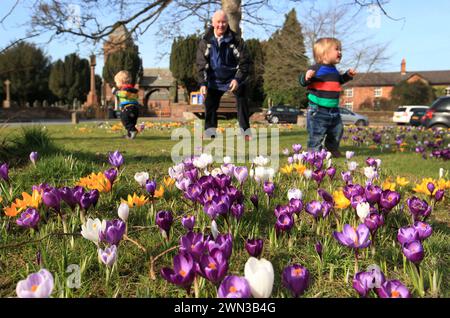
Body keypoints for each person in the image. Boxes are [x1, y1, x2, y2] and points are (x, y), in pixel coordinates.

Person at [196, 10, 251, 139]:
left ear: (227, 23)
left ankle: (246, 132)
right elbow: (201, 64)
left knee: (242, 99)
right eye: (218, 22)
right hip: (214, 79)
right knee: (210, 103)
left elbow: (245, 62)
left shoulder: (236, 41)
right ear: (213, 23)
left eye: (224, 22)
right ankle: (210, 132)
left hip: (233, 77)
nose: (221, 25)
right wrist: (202, 83)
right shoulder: (205, 42)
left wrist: (237, 79)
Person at [299, 37, 356, 157]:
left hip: (334, 110)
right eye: (337, 49)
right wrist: (306, 77)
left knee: (337, 131)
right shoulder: (316, 69)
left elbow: (339, 80)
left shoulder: (334, 70)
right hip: (318, 110)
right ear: (324, 54)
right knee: (316, 134)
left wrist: (347, 75)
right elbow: (303, 82)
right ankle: (314, 154)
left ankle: (332, 148)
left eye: (340, 49)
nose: (340, 52)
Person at [112, 70, 140, 139]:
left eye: (116, 82)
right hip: (135, 108)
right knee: (131, 122)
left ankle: (133, 130)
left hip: (127, 108)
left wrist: (116, 92)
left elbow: (124, 94)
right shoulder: (132, 89)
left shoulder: (125, 89)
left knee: (124, 119)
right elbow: (136, 96)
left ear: (121, 81)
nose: (116, 84)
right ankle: (130, 135)